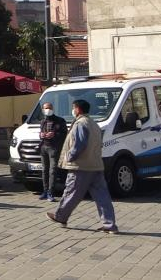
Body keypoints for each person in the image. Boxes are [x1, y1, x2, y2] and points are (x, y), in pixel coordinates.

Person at [47, 99, 118, 233]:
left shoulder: (81, 124)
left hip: (81, 166)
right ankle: (110, 225)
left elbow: (79, 144)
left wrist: (70, 157)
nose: (72, 111)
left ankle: (60, 216)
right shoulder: (94, 124)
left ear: (78, 109)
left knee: (71, 193)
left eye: (73, 108)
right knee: (102, 197)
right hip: (96, 165)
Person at [38, 102, 68, 202]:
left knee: (52, 171)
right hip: (43, 147)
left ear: (53, 109)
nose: (48, 110)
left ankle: (51, 192)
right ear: (43, 110)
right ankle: (45, 191)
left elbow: (64, 134)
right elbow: (41, 132)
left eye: (50, 108)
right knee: (44, 170)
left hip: (53, 148)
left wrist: (54, 134)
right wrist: (41, 135)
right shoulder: (42, 121)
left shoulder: (60, 121)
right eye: (46, 108)